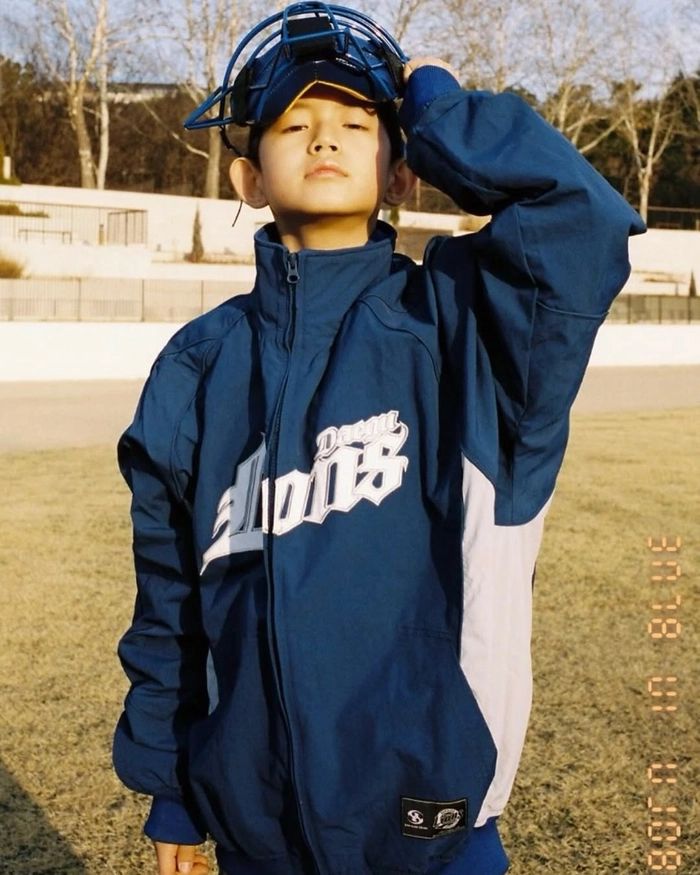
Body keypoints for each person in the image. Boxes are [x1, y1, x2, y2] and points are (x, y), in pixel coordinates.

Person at [112, 4, 645, 875]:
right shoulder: (199, 367)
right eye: (296, 124)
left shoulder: (462, 328)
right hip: (257, 833)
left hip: (437, 831)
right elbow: (170, 595)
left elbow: (580, 219)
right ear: (248, 180)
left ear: (401, 175)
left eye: (357, 124)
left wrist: (435, 108)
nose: (325, 139)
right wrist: (173, 779)